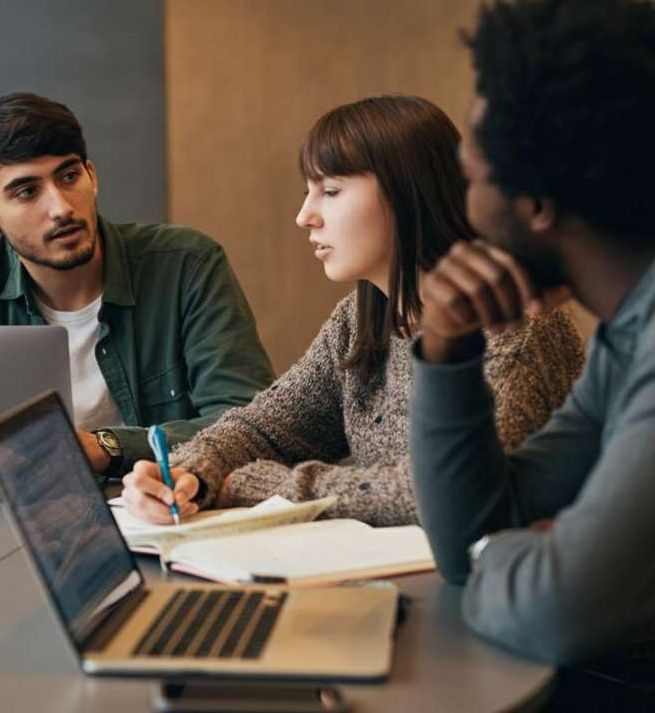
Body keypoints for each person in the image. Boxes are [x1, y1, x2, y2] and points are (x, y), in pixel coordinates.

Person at [122, 95, 583, 526]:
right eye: (308, 191)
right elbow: (265, 427)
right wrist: (188, 474)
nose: (305, 215)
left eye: (331, 191)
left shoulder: (515, 324)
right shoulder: (360, 319)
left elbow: (441, 490)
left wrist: (259, 486)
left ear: (408, 194)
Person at [409, 0, 655, 675]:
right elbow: (476, 532)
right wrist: (446, 348)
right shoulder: (626, 332)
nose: (466, 206)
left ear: (537, 205)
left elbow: (560, 608)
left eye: (473, 178)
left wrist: (507, 553)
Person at [0, 92, 275, 477]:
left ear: (92, 176)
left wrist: (107, 447)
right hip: (16, 517)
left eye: (69, 177)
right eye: (27, 192)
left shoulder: (186, 264)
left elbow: (250, 422)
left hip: (162, 512)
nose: (62, 208)